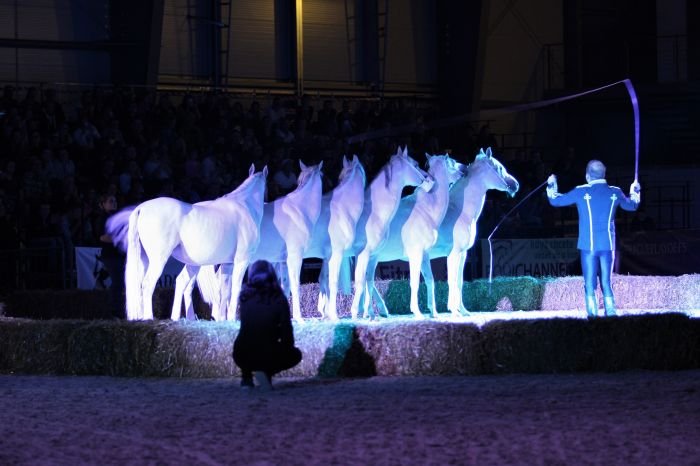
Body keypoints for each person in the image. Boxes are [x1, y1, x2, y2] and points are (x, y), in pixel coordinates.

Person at [546, 160, 641, 317]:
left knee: (590, 285)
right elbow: (632, 206)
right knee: (606, 283)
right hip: (608, 246)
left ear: (587, 176)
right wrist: (635, 191)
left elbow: (555, 201)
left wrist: (551, 184)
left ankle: (593, 320)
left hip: (588, 247)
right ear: (604, 174)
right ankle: (611, 316)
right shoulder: (615, 192)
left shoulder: (581, 191)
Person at [232, 260, 302, 390]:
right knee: (296, 355)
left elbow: (247, 326)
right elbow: (287, 331)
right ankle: (265, 374)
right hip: (268, 353)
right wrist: (285, 347)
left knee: (249, 338)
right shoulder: (279, 298)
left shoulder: (244, 296)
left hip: (241, 353)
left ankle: (246, 378)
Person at [95, 194, 126, 319]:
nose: (114, 203)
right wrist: (121, 239)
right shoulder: (102, 219)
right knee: (118, 283)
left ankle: (117, 310)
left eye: (115, 201)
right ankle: (115, 311)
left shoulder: (115, 217)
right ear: (103, 204)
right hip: (110, 255)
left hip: (118, 255)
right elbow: (102, 237)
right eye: (111, 201)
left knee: (119, 282)